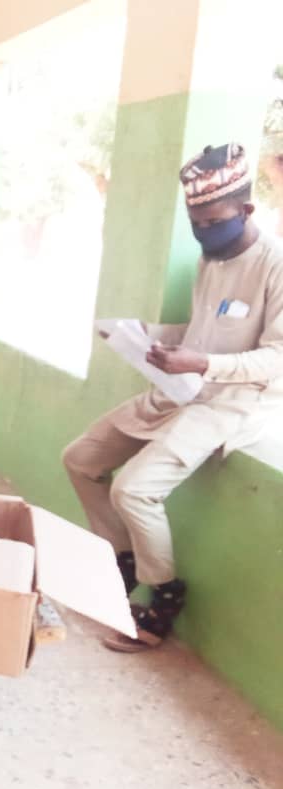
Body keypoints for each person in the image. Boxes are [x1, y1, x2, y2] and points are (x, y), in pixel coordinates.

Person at [63, 143, 283, 653]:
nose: (204, 232)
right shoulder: (213, 259)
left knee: (134, 490)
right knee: (80, 459)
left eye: (215, 221)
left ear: (247, 210)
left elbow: (276, 357)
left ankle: (163, 594)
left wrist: (203, 363)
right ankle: (120, 559)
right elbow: (205, 329)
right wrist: (148, 333)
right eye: (196, 222)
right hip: (182, 388)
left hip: (233, 402)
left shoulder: (274, 265)